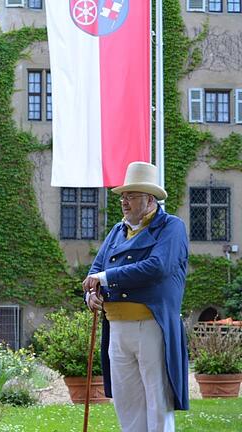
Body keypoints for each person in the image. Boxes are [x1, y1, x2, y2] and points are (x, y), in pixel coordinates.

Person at [84, 161, 189, 432]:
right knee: (126, 401)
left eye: (131, 195)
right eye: (123, 196)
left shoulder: (171, 227)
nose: (124, 201)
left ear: (150, 199)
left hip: (151, 325)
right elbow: (96, 268)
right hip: (117, 327)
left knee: (157, 400)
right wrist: (91, 294)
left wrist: (105, 278)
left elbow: (158, 266)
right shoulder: (117, 231)